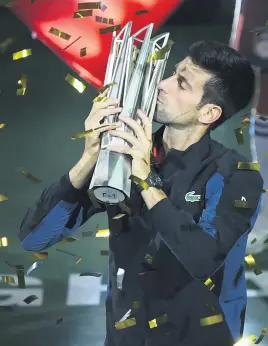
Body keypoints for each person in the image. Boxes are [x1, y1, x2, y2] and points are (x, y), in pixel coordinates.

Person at [19, 41, 263, 346]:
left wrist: (146, 181)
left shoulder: (237, 176)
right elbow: (34, 238)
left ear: (209, 112)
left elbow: (202, 258)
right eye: (173, 73)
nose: (162, 84)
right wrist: (89, 157)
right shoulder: (121, 158)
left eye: (181, 84)